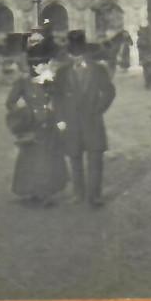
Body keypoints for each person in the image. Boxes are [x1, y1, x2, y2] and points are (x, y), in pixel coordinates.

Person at [52, 30, 116, 207]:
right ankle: (78, 193)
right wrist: (60, 120)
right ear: (69, 55)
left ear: (85, 53)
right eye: (73, 55)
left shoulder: (98, 71)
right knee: (74, 158)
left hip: (92, 120)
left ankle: (94, 196)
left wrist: (99, 108)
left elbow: (110, 91)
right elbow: (56, 97)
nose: (76, 59)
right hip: (71, 121)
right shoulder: (62, 73)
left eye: (79, 55)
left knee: (95, 158)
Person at [4, 31, 68, 207]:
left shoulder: (50, 81)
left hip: (49, 124)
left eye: (42, 63)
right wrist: (23, 114)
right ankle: (30, 190)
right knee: (31, 158)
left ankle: (46, 192)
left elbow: (59, 100)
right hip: (32, 125)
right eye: (35, 64)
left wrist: (61, 120)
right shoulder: (24, 82)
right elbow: (10, 102)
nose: (39, 66)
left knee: (49, 157)